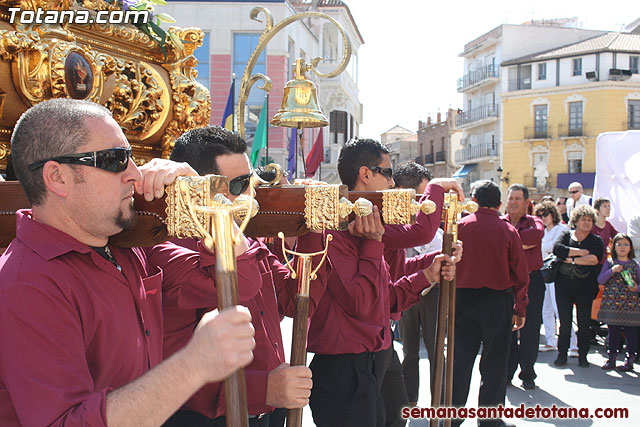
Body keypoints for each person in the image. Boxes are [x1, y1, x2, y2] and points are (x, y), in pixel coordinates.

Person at [0, 99, 256, 426]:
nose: (135, 174)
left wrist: (198, 196)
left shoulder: (127, 248)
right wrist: (194, 364)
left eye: (132, 158)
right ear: (57, 178)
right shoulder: (26, 284)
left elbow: (243, 279)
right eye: (115, 160)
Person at [164, 125, 330, 426]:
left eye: (252, 181)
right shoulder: (170, 252)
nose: (253, 193)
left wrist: (314, 229)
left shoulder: (248, 242)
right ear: (201, 188)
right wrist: (265, 388)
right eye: (240, 184)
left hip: (267, 411)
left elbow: (293, 301)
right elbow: (173, 373)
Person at [307, 138, 457, 427]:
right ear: (365, 174)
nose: (392, 183)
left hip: (372, 351)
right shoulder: (332, 226)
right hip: (344, 363)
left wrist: (432, 265)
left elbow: (385, 286)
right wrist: (374, 243)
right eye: (387, 173)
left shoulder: (372, 218)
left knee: (394, 417)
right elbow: (363, 300)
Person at [452, 180, 529, 427]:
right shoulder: (507, 230)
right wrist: (520, 306)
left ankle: (451, 416)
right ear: (498, 203)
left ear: (473, 200)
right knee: (495, 362)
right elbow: (520, 273)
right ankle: (489, 420)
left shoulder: (460, 226)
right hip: (497, 301)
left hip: (463, 298)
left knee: (459, 361)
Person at [394, 163, 442, 407]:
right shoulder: (394, 222)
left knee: (436, 350)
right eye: (422, 197)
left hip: (434, 293)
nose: (427, 204)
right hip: (405, 288)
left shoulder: (435, 222)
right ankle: (410, 399)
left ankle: (439, 404)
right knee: (409, 350)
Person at [502, 184, 544, 391]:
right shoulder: (501, 222)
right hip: (507, 283)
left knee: (530, 329)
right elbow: (522, 243)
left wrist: (507, 243)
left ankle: (528, 374)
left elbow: (534, 238)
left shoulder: (534, 222)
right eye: (511, 198)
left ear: (527, 202)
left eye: (518, 199)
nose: (513, 202)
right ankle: (507, 373)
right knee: (506, 329)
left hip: (532, 282)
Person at [552, 205, 604, 367]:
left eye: (589, 220)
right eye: (583, 220)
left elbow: (595, 259)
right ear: (576, 221)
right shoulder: (566, 235)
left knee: (583, 323)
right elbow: (557, 249)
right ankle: (562, 354)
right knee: (565, 323)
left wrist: (570, 259)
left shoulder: (596, 240)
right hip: (563, 286)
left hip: (585, 288)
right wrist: (581, 253)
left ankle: (583, 356)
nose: (587, 223)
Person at [534, 201, 577, 354]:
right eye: (540, 215)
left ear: (553, 214)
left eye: (546, 214)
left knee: (561, 310)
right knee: (546, 308)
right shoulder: (542, 231)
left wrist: (542, 248)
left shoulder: (562, 229)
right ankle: (551, 341)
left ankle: (573, 344)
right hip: (543, 271)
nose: (543, 218)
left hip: (557, 272)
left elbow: (553, 248)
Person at [597, 234, 640, 371]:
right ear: (613, 246)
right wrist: (612, 271)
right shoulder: (609, 262)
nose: (622, 247)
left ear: (630, 248)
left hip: (630, 306)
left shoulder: (635, 265)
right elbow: (601, 280)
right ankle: (611, 358)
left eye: (626, 244)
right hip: (612, 305)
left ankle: (630, 360)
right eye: (619, 244)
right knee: (613, 333)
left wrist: (636, 288)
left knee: (631, 334)